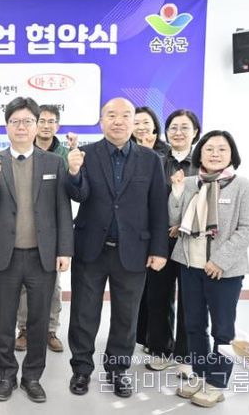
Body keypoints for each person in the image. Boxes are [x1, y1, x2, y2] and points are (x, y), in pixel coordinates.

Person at [65, 98, 169, 398]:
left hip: (133, 250)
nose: (118, 121)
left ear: (134, 122)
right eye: (111, 115)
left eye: (125, 115)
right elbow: (78, 195)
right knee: (84, 314)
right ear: (101, 121)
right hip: (91, 248)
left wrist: (159, 249)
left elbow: (157, 208)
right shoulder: (85, 154)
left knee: (126, 316)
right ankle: (81, 369)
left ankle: (118, 370)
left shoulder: (150, 160)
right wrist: (74, 173)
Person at [0, 97, 74, 403]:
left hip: (41, 256)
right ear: (6, 126)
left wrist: (64, 250)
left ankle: (32, 377)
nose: (21, 127)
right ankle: (6, 375)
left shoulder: (53, 162)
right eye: (15, 121)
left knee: (38, 320)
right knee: (4, 321)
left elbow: (63, 209)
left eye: (27, 121)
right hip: (4, 256)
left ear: (36, 125)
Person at [169, 130, 249, 408]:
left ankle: (216, 383)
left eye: (222, 149)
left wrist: (220, 260)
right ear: (200, 153)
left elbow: (247, 229)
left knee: (222, 330)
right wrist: (177, 192)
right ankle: (199, 373)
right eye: (209, 149)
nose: (215, 154)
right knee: (193, 325)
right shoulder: (190, 182)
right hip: (190, 265)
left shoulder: (243, 186)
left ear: (232, 154)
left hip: (224, 271)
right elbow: (174, 220)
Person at [15, 104, 77, 354]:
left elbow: (67, 200)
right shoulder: (22, 150)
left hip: (50, 233)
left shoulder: (63, 155)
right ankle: (24, 329)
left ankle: (50, 330)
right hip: (23, 231)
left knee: (53, 286)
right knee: (22, 287)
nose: (46, 125)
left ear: (57, 126)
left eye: (52, 121)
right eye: (41, 120)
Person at [145, 109, 201, 373]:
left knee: (191, 301)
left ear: (195, 132)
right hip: (161, 240)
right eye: (173, 128)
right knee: (158, 297)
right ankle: (160, 349)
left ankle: (185, 356)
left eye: (184, 127)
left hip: (193, 242)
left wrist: (185, 224)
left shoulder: (202, 164)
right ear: (166, 132)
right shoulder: (155, 161)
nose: (178, 133)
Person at [132, 106, 169, 352]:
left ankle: (159, 342)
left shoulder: (164, 153)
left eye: (146, 122)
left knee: (158, 292)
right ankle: (140, 336)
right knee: (138, 291)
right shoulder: (126, 151)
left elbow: (159, 190)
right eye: (136, 122)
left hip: (158, 230)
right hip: (133, 233)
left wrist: (149, 154)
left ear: (155, 125)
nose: (141, 127)